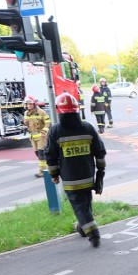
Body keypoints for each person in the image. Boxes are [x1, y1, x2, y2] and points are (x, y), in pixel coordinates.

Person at [45, 92, 107, 248]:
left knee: (80, 206)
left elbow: (50, 154)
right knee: (85, 205)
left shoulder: (55, 130)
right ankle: (82, 227)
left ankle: (94, 234)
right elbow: (100, 151)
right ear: (77, 109)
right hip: (88, 176)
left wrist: (54, 174)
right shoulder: (87, 127)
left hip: (71, 179)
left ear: (58, 110)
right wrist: (100, 173)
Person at [22, 95, 51, 177]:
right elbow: (27, 123)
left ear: (34, 104)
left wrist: (44, 131)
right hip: (32, 137)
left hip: (41, 136)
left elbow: (48, 123)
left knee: (41, 153)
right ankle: (49, 167)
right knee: (37, 154)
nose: (29, 106)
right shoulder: (26, 113)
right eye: (27, 104)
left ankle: (42, 171)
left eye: (30, 104)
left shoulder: (42, 112)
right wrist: (25, 124)